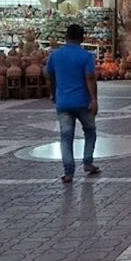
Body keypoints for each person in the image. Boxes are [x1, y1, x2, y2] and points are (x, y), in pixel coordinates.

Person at [46, 24, 100, 183]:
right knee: (90, 131)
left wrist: (53, 92)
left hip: (63, 103)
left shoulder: (55, 56)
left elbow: (49, 75)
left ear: (66, 37)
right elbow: (90, 78)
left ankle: (68, 172)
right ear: (82, 38)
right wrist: (94, 99)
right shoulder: (86, 56)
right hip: (83, 102)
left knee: (66, 137)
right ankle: (88, 162)